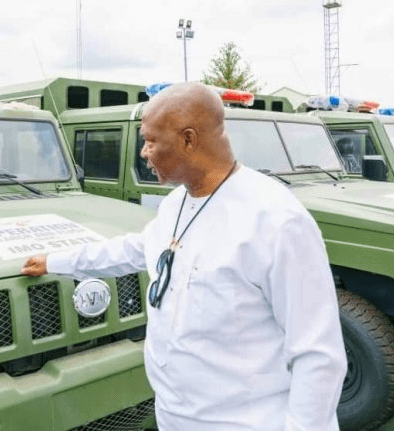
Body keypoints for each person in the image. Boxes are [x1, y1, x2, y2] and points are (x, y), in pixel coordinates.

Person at [21, 82, 347, 430]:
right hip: (175, 417)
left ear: (188, 139)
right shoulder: (178, 203)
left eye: (150, 140)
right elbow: (136, 249)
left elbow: (317, 354)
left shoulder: (275, 220)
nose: (144, 153)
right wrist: (56, 262)